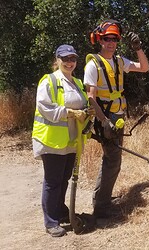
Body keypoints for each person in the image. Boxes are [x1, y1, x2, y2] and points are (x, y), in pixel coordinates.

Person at [83, 20, 149, 218]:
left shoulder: (120, 61)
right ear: (99, 40)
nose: (110, 42)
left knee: (112, 160)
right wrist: (104, 121)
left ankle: (102, 199)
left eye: (114, 39)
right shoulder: (93, 64)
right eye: (106, 39)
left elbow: (144, 67)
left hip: (118, 117)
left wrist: (138, 49)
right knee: (112, 161)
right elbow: (90, 98)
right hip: (106, 118)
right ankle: (101, 207)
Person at [32, 44, 95, 237]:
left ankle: (60, 211)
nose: (69, 62)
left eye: (72, 59)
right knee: (53, 181)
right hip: (52, 141)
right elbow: (45, 108)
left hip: (71, 141)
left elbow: (83, 106)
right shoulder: (49, 81)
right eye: (65, 59)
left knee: (64, 179)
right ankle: (51, 222)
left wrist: (87, 112)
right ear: (57, 60)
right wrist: (68, 112)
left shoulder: (76, 82)